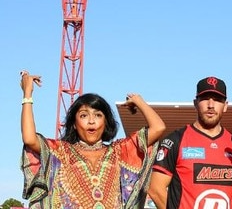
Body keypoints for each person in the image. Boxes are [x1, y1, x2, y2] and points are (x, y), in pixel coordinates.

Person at [20, 70, 166, 209]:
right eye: (84, 115)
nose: (91, 121)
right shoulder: (61, 151)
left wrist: (139, 101)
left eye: (98, 115)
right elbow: (29, 139)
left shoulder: (118, 151)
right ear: (74, 124)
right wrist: (27, 94)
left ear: (106, 122)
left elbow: (158, 127)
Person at [148, 76, 232, 209]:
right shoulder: (175, 141)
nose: (211, 105)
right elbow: (155, 190)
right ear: (195, 103)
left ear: (225, 106)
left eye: (218, 100)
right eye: (205, 98)